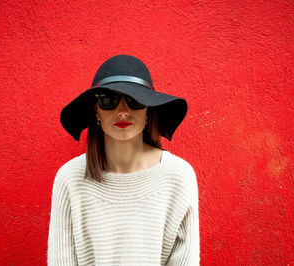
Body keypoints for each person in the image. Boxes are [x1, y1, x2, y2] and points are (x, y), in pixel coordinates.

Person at [47, 55, 200, 265]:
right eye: (108, 100)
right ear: (96, 111)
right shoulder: (70, 178)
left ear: (148, 110)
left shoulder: (178, 177)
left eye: (134, 100)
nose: (122, 112)